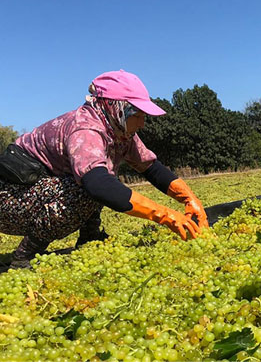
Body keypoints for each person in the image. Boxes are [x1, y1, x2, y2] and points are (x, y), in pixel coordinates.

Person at [0, 70, 208, 269]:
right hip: (11, 201)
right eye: (138, 114)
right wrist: (165, 215)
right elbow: (98, 185)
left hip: (40, 194)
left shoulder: (119, 131)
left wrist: (189, 199)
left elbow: (151, 168)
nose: (143, 123)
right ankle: (24, 257)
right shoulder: (86, 128)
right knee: (88, 188)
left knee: (99, 178)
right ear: (117, 107)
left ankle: (89, 238)